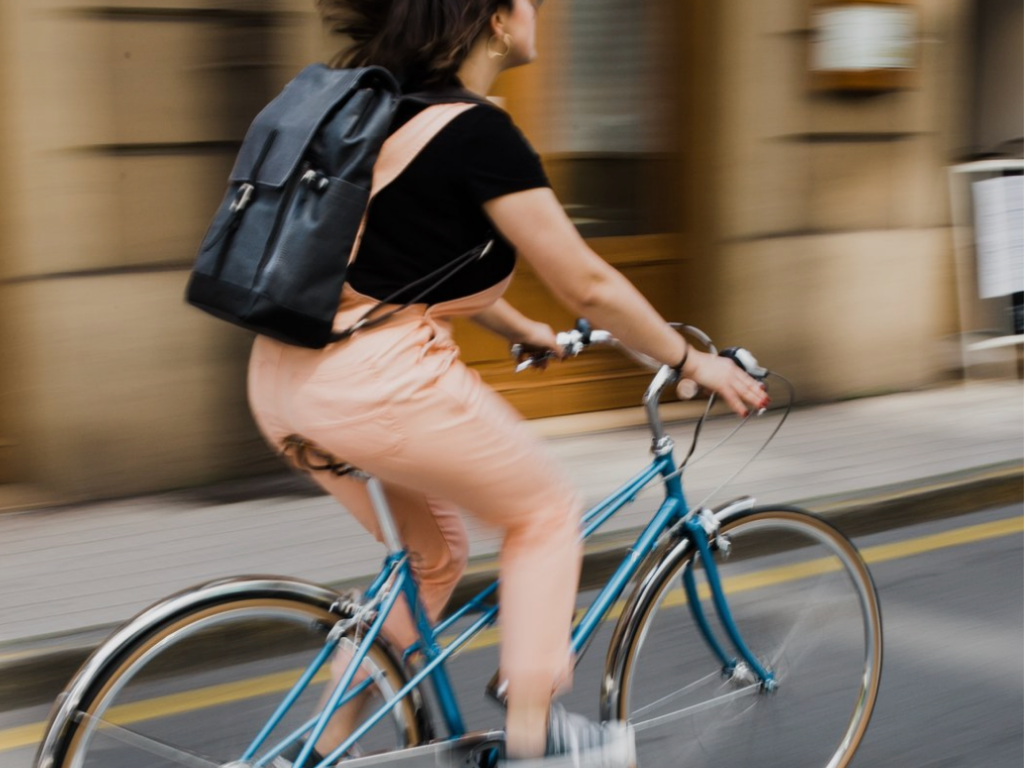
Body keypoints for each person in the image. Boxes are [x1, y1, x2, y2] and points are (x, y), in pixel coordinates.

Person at [249, 0, 770, 765]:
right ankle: (534, 739)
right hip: (377, 384)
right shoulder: (476, 131)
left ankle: (323, 750)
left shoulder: (382, 107)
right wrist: (693, 360)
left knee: (435, 559)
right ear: (494, 20)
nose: (539, 14)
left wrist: (521, 329)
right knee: (545, 512)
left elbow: (391, 259)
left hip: (283, 380)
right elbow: (586, 283)